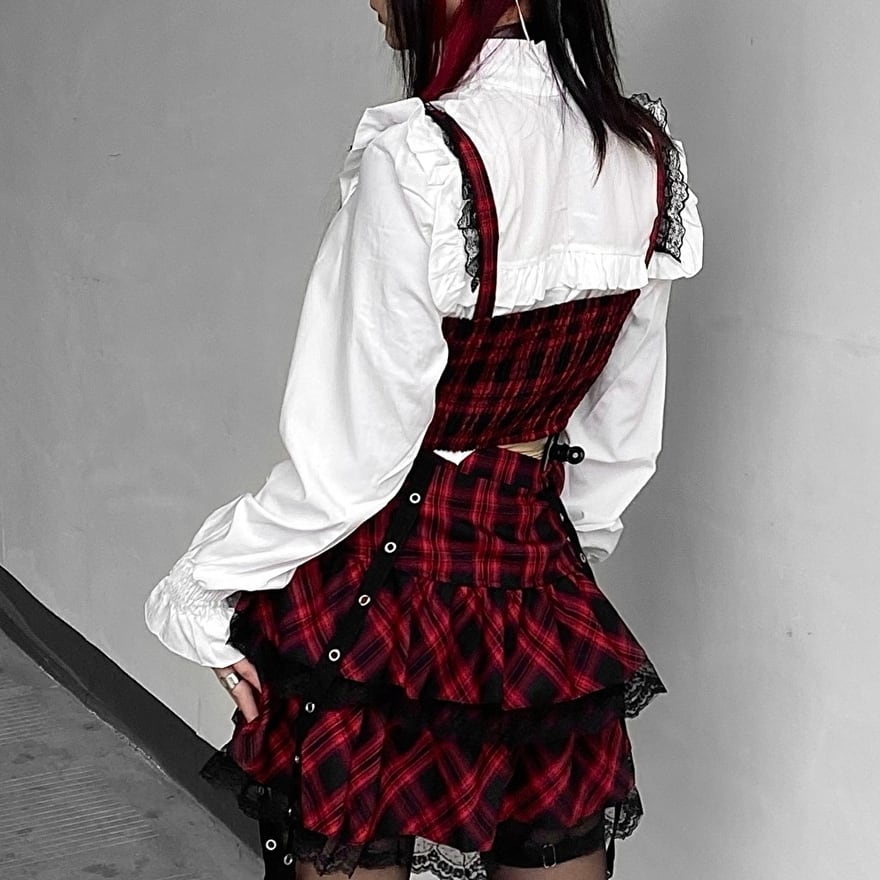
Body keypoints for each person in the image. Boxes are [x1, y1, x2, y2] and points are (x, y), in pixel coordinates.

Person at [144, 1, 703, 879]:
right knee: (553, 840)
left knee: (348, 837)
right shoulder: (643, 159)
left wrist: (204, 583)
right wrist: (557, 571)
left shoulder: (422, 159)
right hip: (533, 572)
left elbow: (350, 464)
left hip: (384, 583)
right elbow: (620, 435)